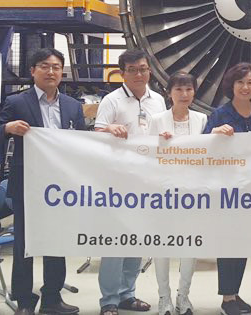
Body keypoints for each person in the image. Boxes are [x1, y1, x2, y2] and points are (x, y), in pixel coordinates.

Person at [0, 48, 83, 315]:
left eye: (56, 67)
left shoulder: (72, 106)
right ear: (33, 71)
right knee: (25, 244)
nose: (51, 72)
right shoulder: (17, 102)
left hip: (61, 187)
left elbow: (83, 142)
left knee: (56, 241)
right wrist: (8, 128)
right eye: (44, 66)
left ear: (62, 72)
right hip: (27, 185)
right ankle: (24, 301)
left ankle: (52, 298)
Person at [94, 49, 167, 315]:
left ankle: (128, 294)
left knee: (137, 240)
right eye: (133, 70)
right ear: (122, 73)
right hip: (118, 181)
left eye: (143, 69)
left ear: (150, 71)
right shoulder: (111, 101)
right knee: (115, 241)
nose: (139, 74)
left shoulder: (158, 100)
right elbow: (95, 134)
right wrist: (108, 129)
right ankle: (109, 300)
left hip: (147, 181)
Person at [203, 62, 251, 315]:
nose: (245, 87)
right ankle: (227, 298)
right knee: (227, 244)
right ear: (231, 85)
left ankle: (234, 292)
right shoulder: (219, 115)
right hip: (225, 192)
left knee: (242, 244)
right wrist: (213, 133)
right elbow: (200, 147)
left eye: (250, 82)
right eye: (240, 82)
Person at [148, 72, 207, 315]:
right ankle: (164, 298)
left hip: (192, 194)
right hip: (163, 193)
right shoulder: (156, 120)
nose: (184, 94)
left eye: (189, 89)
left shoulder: (202, 119)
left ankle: (184, 296)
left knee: (189, 246)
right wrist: (158, 143)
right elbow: (145, 154)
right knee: (161, 246)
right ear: (169, 92)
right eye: (179, 89)